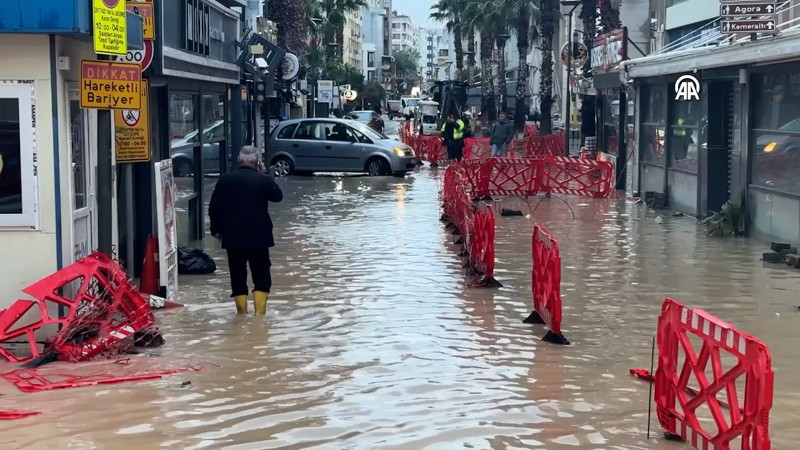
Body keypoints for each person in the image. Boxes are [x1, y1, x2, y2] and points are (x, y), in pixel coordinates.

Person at [209, 146, 283, 315]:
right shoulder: (263, 180)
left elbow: (213, 208)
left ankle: (241, 315)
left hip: (233, 239)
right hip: (259, 238)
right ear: (257, 161)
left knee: (237, 275)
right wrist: (264, 174)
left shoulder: (225, 180)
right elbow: (278, 196)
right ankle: (259, 316)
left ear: (238, 160)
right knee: (262, 276)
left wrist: (216, 230)